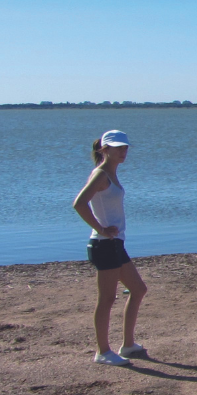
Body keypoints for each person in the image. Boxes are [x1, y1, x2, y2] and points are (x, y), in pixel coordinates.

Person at [72, 130, 148, 367]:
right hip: (103, 244)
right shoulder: (101, 174)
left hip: (115, 244)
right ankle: (103, 351)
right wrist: (101, 228)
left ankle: (127, 345)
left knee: (138, 289)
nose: (123, 151)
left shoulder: (112, 174)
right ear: (104, 150)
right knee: (107, 298)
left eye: (125, 147)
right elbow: (79, 203)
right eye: (118, 148)